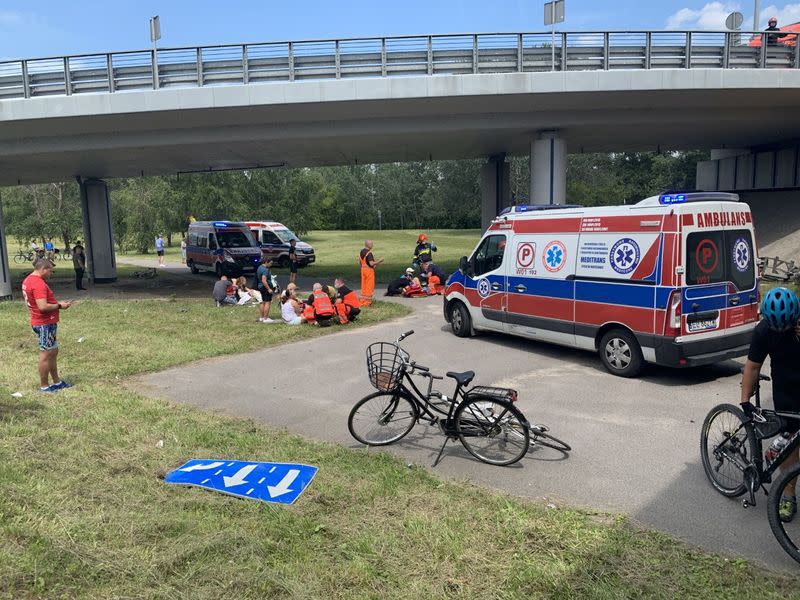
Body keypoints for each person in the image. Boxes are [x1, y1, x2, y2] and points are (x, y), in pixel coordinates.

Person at [740, 287, 800, 523]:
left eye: (786, 326)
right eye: (777, 327)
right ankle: (788, 495)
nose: (782, 331)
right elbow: (752, 366)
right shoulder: (764, 330)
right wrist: (745, 401)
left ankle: (777, 447)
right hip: (785, 390)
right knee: (792, 443)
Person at [21, 258, 73, 392]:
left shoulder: (28, 280)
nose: (51, 273)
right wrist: (60, 305)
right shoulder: (38, 283)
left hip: (44, 322)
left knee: (53, 352)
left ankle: (57, 382)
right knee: (46, 354)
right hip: (44, 323)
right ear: (43, 269)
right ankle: (44, 386)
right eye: (50, 270)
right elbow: (43, 306)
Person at [359, 240, 383, 307]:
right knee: (369, 286)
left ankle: (362, 301)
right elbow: (371, 263)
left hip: (363, 270)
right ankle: (367, 302)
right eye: (371, 244)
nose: (372, 245)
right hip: (369, 271)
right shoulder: (369, 253)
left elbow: (363, 262)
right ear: (368, 245)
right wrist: (379, 261)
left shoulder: (362, 251)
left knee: (364, 286)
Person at [256, 256, 276, 323]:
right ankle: (266, 318)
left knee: (263, 302)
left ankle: (262, 317)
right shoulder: (265, 270)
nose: (271, 265)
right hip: (265, 287)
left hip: (260, 286)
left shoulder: (259, 267)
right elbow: (264, 280)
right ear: (266, 262)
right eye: (270, 263)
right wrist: (269, 289)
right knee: (268, 302)